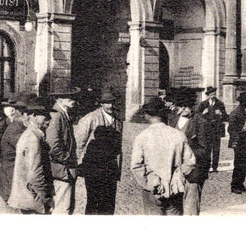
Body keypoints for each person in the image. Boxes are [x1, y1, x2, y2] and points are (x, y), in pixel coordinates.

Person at [130, 96, 196, 215]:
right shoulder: (178, 135)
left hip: (152, 190)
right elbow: (190, 162)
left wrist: (150, 183)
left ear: (147, 115)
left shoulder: (142, 137)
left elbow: (136, 166)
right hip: (175, 188)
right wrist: (179, 176)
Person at [75, 86, 123, 215]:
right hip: (93, 168)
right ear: (101, 103)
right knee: (94, 202)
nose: (111, 105)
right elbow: (79, 144)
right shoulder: (89, 119)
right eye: (107, 102)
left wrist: (118, 169)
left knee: (109, 203)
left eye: (113, 102)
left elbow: (119, 147)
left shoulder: (118, 121)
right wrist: (76, 165)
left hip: (111, 168)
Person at [0, 92, 31, 207]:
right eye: (24, 111)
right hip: (5, 179)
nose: (26, 115)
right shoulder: (0, 127)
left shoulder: (21, 126)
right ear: (13, 111)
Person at [8, 99, 55, 214]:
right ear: (33, 116)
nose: (49, 118)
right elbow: (35, 173)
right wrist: (45, 197)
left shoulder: (32, 134)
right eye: (45, 115)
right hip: (33, 198)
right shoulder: (33, 138)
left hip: (29, 196)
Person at [172, 91, 213, 214]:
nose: (183, 109)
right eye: (180, 106)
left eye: (186, 106)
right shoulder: (173, 120)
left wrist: (186, 157)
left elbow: (204, 150)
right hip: (174, 171)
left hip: (193, 172)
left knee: (190, 209)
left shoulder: (200, 122)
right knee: (175, 208)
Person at [46, 86, 80, 214]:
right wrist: (68, 161)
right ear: (59, 99)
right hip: (61, 169)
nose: (73, 100)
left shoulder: (63, 114)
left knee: (67, 206)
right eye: (70, 97)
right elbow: (53, 146)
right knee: (61, 208)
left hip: (65, 169)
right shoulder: (56, 115)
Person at [0, 94, 31, 213]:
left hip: (13, 183)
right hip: (12, 185)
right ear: (24, 114)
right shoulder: (17, 129)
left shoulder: (20, 127)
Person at [228, 91, 246, 194]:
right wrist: (237, 139)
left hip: (244, 141)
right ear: (245, 102)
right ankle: (234, 185)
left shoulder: (243, 111)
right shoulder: (236, 112)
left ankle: (240, 184)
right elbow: (231, 129)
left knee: (244, 164)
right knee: (239, 164)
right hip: (239, 142)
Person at [196, 86, 228, 172]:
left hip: (217, 130)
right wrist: (203, 113)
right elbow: (197, 116)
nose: (213, 96)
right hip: (207, 130)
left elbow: (225, 117)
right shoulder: (203, 104)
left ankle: (215, 167)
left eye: (214, 94)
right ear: (208, 95)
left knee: (216, 149)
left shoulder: (220, 104)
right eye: (211, 94)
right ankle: (207, 166)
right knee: (207, 149)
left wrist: (221, 114)